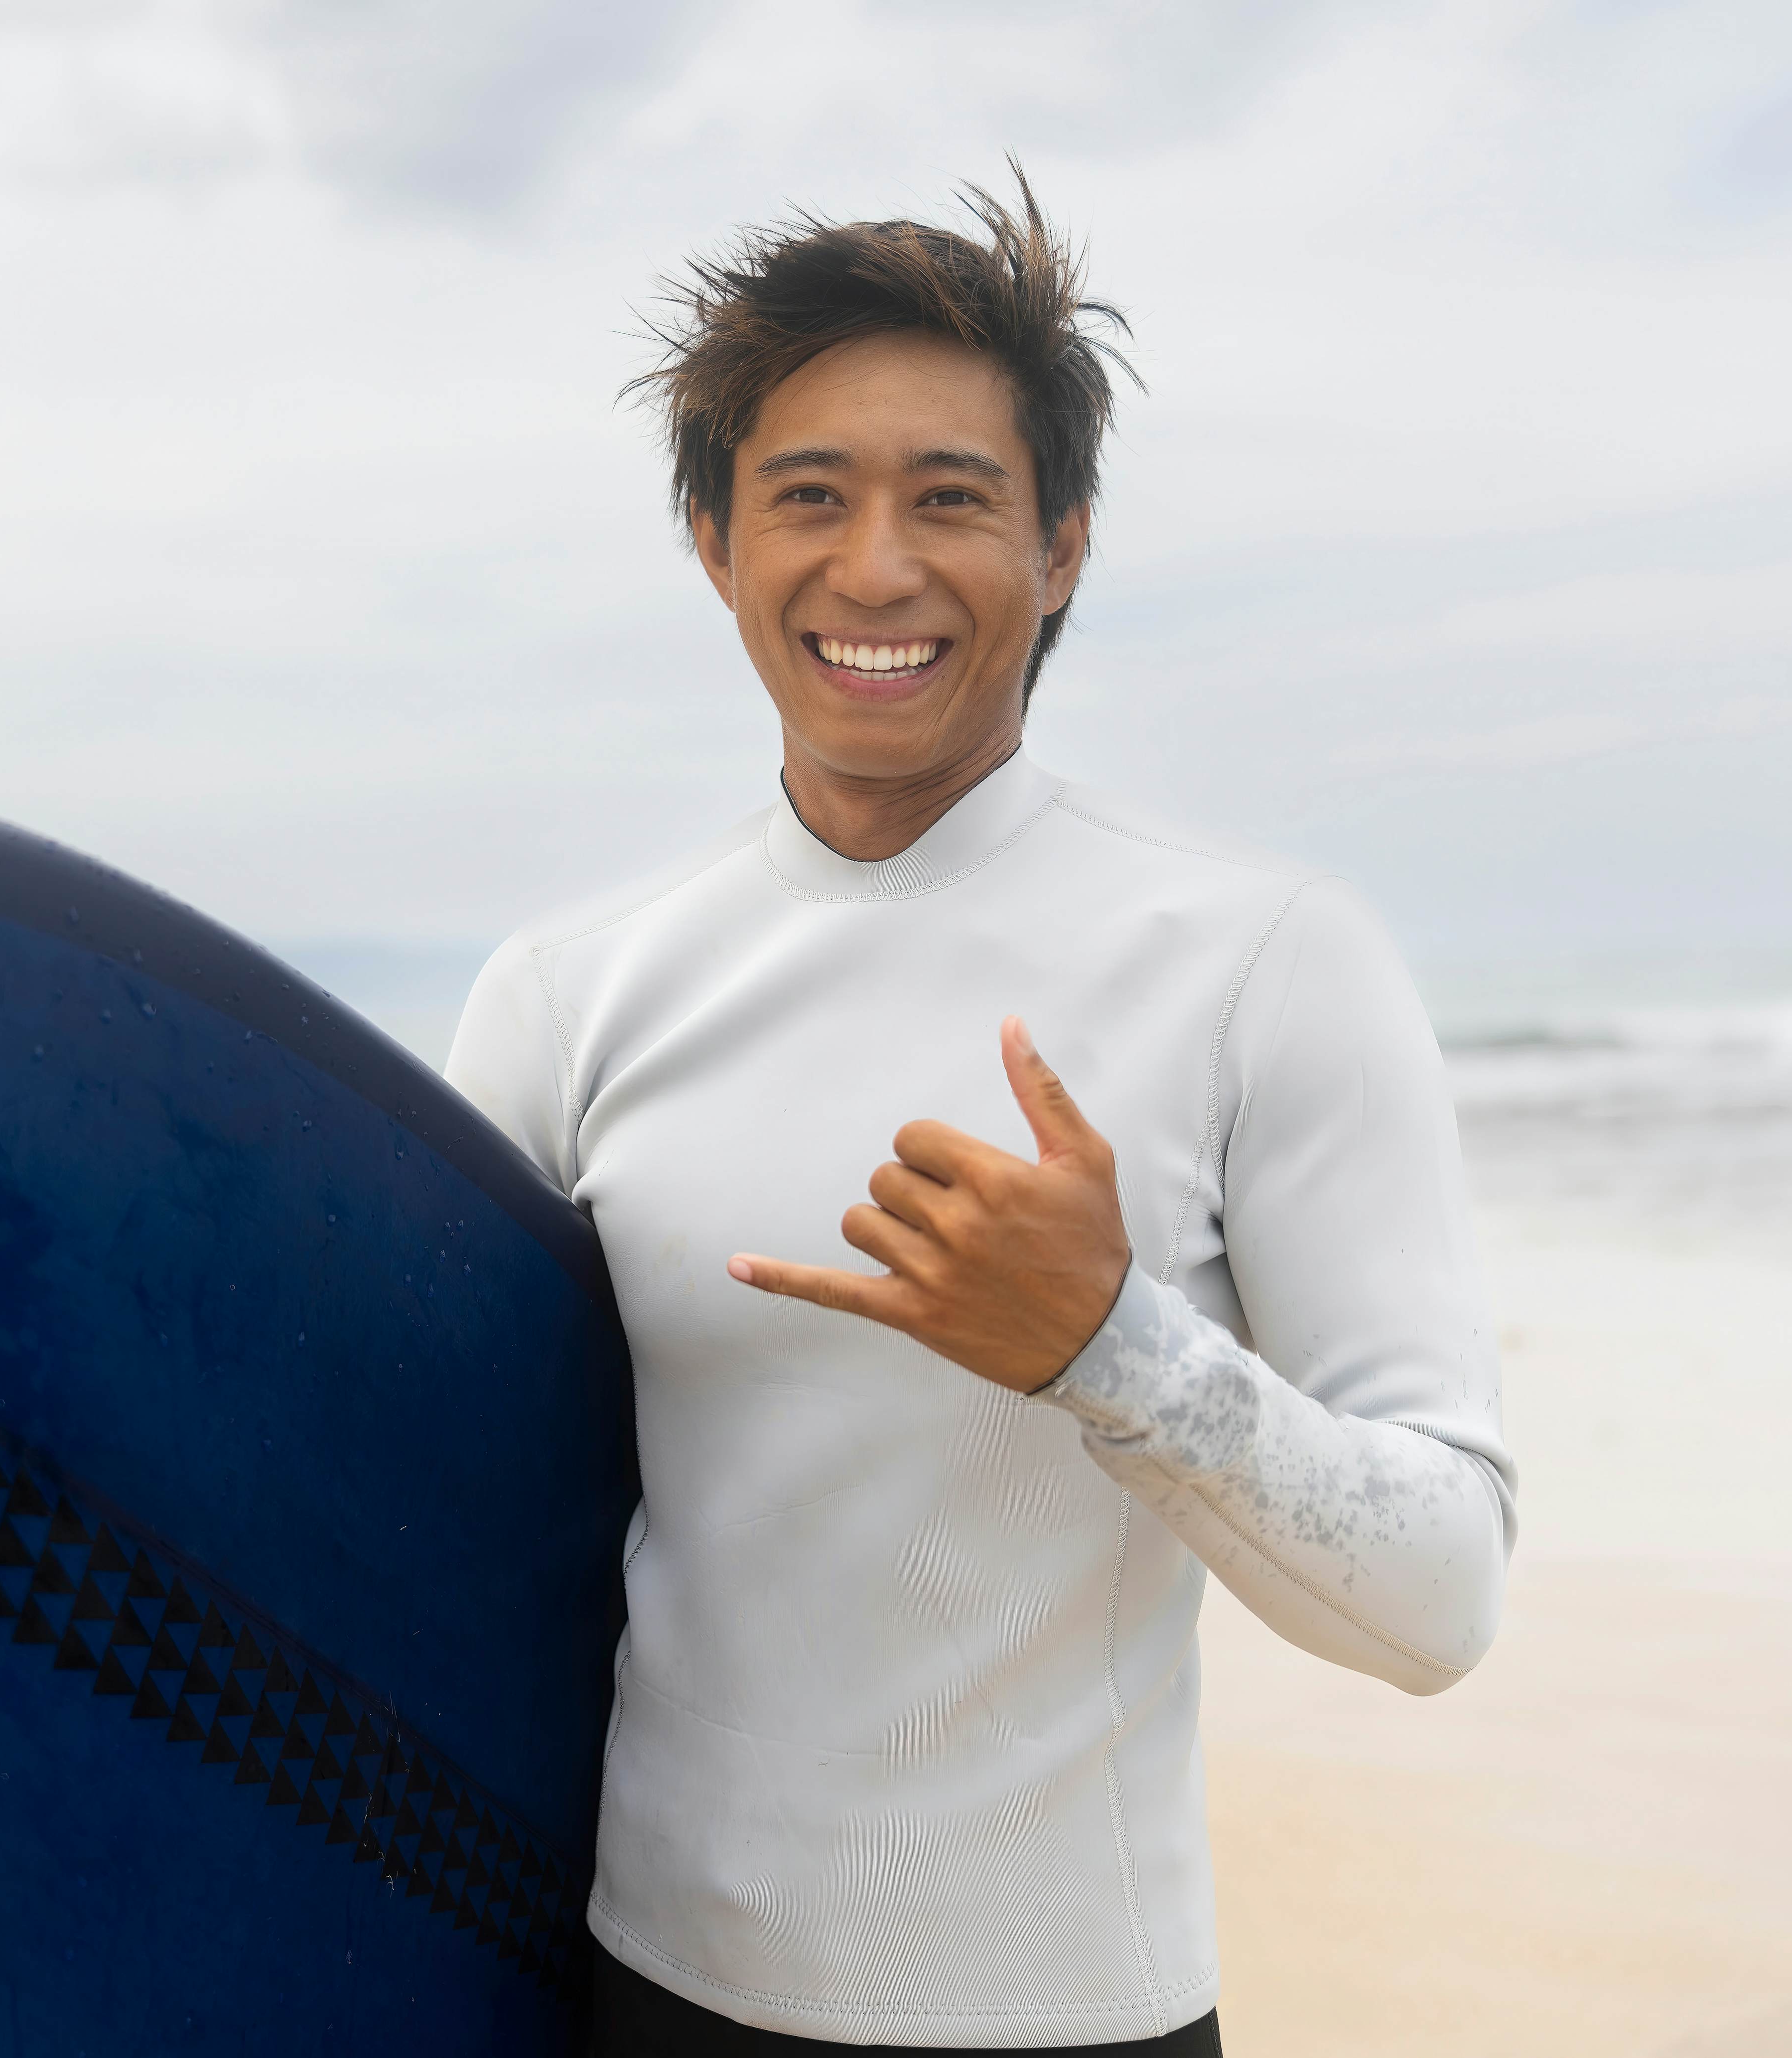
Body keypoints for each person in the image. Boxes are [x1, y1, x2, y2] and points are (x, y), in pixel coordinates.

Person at [443, 176, 1515, 2056]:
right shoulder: (571, 994)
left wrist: (1114, 1350)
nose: (875, 568)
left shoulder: (1267, 960)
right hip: (635, 1990)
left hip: (1070, 2018)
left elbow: (1440, 1597)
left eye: (951, 497)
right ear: (711, 540)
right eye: (807, 495)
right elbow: (431, 1527)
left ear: (1066, 546)